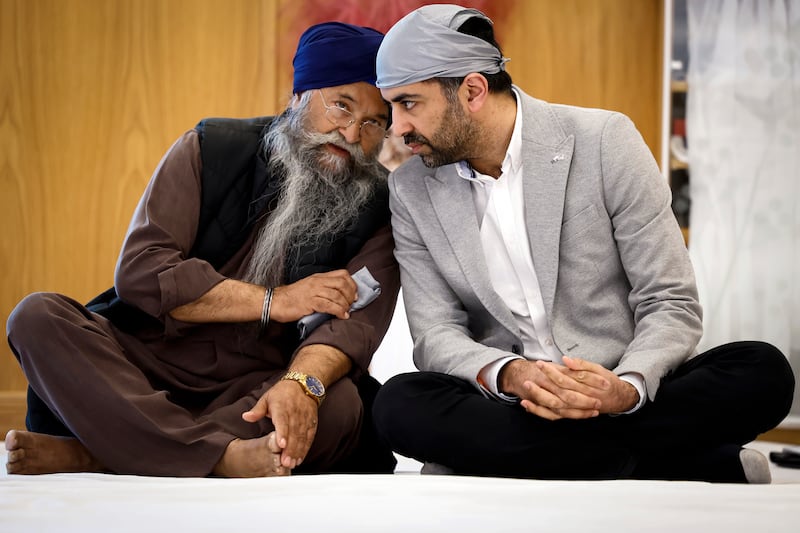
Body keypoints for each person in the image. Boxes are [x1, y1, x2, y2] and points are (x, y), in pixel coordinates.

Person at [371, 4, 795, 483]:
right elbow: (435, 334)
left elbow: (669, 300)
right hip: (513, 403)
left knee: (763, 371)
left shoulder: (603, 140)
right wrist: (512, 375)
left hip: (621, 390)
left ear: (472, 90)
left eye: (408, 104)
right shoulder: (410, 189)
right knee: (397, 404)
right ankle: (669, 464)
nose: (397, 127)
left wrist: (626, 389)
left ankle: (518, 459)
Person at [5, 21, 400, 478]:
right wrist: (277, 301)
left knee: (340, 404)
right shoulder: (211, 148)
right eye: (341, 106)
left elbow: (354, 327)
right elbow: (141, 273)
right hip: (148, 363)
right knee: (36, 317)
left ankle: (99, 452)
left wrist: (298, 383)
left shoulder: (382, 206)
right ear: (298, 97)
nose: (351, 134)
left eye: (374, 122)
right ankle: (220, 455)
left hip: (258, 386)